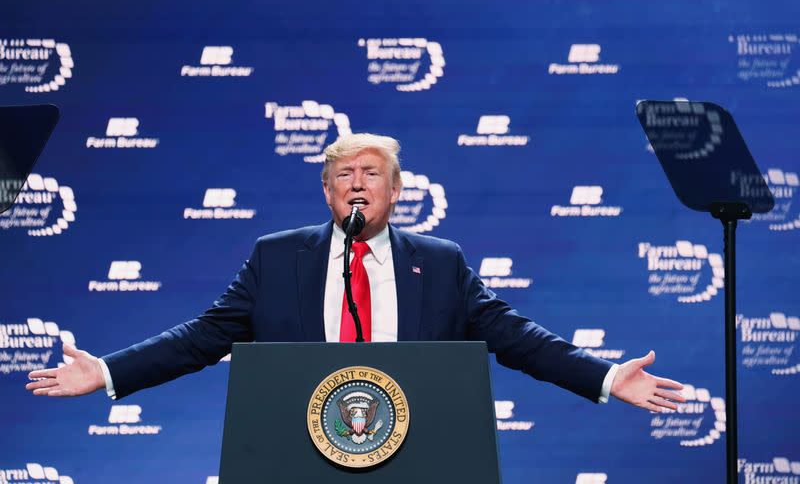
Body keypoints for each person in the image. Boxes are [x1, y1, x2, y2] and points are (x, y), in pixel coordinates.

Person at [27, 133, 685, 412]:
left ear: (397, 193)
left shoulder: (442, 262)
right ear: (326, 192)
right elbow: (201, 338)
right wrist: (108, 371)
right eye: (344, 174)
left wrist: (602, 375)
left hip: (419, 448)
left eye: (372, 173)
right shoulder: (277, 257)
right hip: (298, 447)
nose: (358, 183)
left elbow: (517, 339)